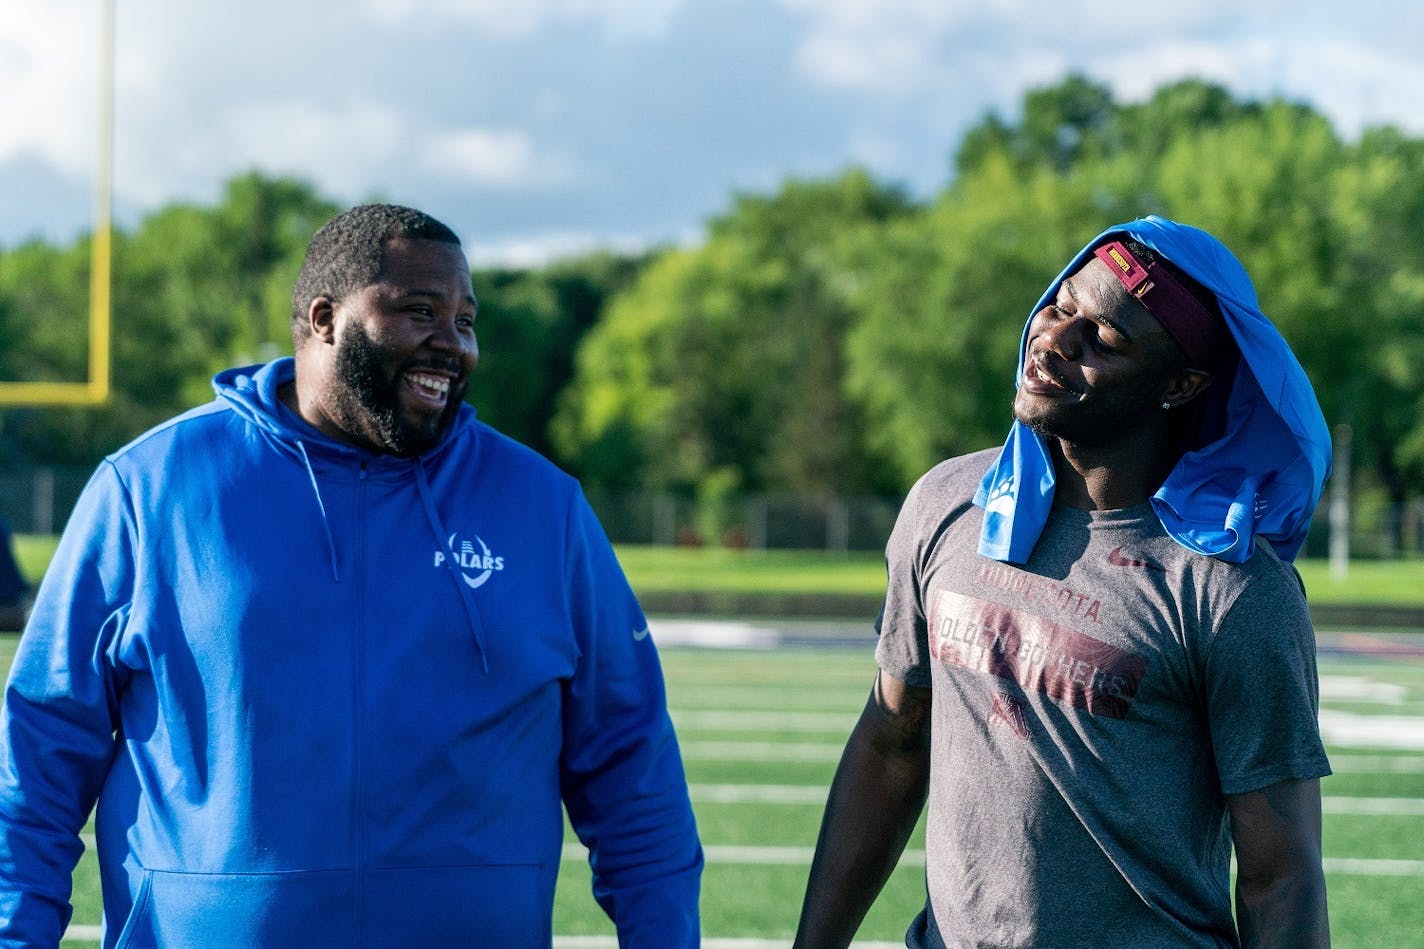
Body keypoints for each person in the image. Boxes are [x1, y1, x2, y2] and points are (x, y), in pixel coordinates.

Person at [0, 204, 702, 948]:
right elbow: (40, 755)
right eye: (419, 311)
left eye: (466, 319)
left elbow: (632, 768)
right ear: (325, 317)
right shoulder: (151, 488)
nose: (453, 343)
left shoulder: (543, 508)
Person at [794, 216, 1333, 948]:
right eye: (1061, 304)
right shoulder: (950, 502)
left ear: (1180, 384)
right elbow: (892, 742)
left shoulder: (1231, 590)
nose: (1055, 339)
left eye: (1105, 338)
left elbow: (1281, 876)